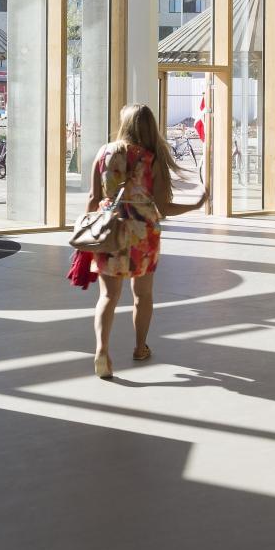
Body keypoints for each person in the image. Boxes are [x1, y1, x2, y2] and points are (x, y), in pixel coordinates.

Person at [87, 103, 209, 379]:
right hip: (143, 234)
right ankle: (140, 347)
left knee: (107, 296)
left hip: (109, 230)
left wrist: (89, 233)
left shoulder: (104, 153)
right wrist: (195, 204)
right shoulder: (151, 159)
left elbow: (93, 199)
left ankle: (102, 351)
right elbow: (164, 207)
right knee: (142, 295)